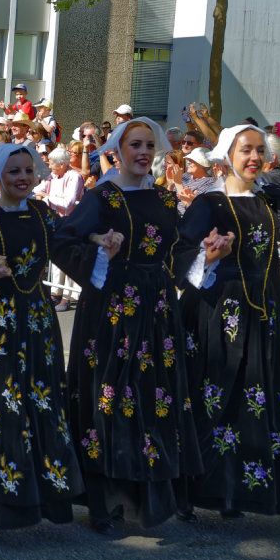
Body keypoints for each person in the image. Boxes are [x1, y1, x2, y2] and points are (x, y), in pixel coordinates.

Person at [52, 117, 202, 533]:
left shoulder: (166, 199)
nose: (143, 152)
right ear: (117, 151)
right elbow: (63, 240)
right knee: (110, 396)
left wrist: (206, 254)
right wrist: (98, 246)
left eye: (149, 145)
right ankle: (106, 502)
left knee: (155, 395)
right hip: (112, 310)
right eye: (135, 144)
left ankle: (157, 495)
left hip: (156, 310)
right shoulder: (103, 197)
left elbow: (178, 250)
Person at [0, 143, 83, 536]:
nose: (22, 178)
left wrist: (98, 241)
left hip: (37, 321)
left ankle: (38, 498)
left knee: (38, 399)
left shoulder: (43, 214)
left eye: (28, 170)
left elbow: (70, 243)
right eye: (14, 171)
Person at [173, 124, 280, 518]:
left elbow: (267, 263)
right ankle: (189, 490)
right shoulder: (209, 204)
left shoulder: (263, 203)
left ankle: (233, 492)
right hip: (214, 313)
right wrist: (208, 257)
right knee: (208, 400)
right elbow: (179, 256)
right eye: (246, 150)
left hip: (257, 317)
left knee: (248, 404)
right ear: (227, 156)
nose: (254, 157)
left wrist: (274, 313)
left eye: (260, 150)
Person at [33, 146, 85, 311]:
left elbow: (68, 202)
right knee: (56, 259)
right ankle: (55, 293)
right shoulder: (52, 176)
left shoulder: (74, 176)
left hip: (71, 223)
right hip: (55, 222)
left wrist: (48, 197)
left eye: (52, 163)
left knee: (69, 259)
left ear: (62, 164)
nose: (49, 166)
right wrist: (44, 195)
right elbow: (36, 190)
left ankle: (67, 298)